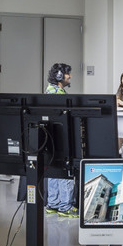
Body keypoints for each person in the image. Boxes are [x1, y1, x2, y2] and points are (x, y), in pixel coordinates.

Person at [44, 62, 77, 215]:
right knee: (65, 169)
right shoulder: (58, 94)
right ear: (59, 76)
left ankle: (53, 204)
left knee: (54, 168)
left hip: (52, 137)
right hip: (62, 137)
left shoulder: (50, 91)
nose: (69, 76)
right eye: (67, 73)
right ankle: (66, 207)